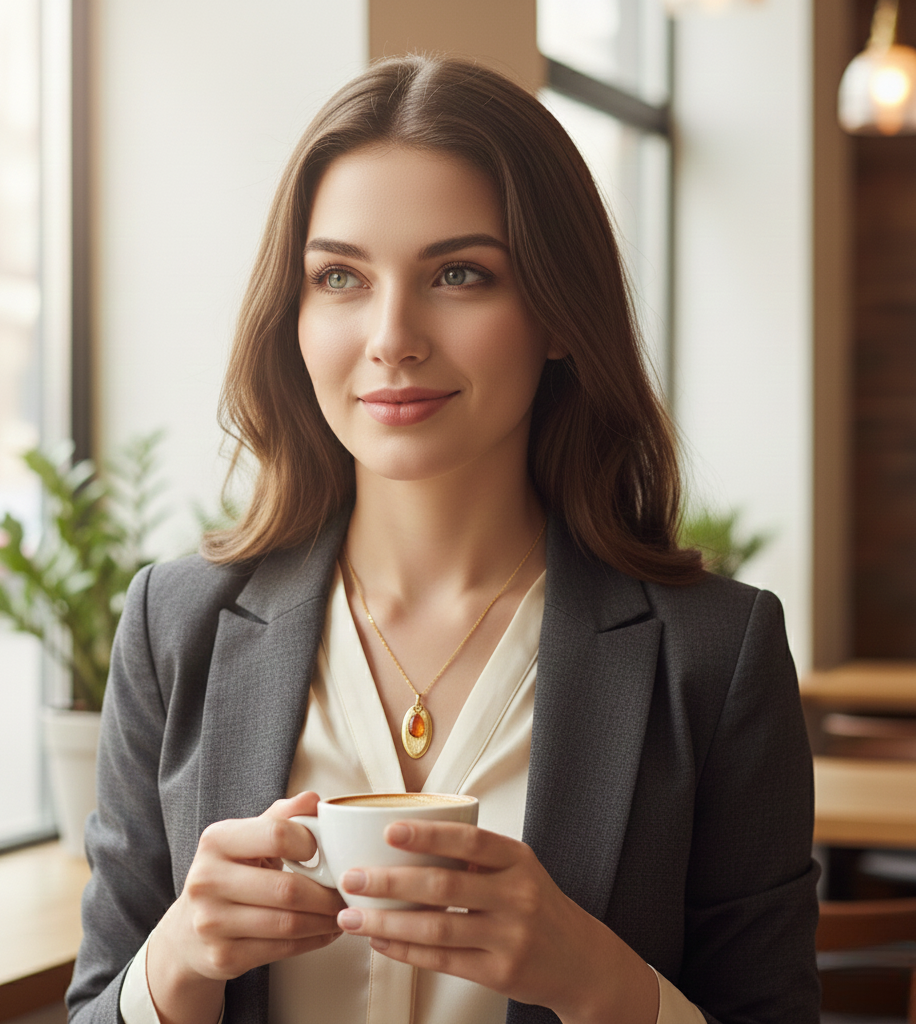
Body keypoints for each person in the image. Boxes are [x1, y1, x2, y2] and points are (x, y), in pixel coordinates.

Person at [66, 55, 819, 1024]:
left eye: (458, 273)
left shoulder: (712, 653)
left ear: (555, 310)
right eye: (339, 276)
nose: (391, 335)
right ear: (291, 314)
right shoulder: (177, 624)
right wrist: (172, 967)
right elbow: (99, 1002)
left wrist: (603, 987)